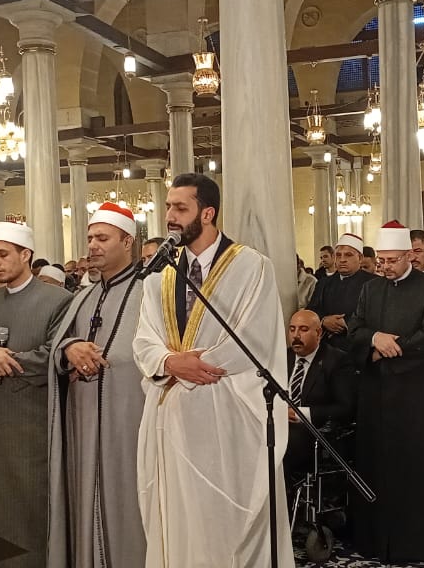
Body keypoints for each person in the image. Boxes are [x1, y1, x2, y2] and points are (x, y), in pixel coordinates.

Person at [131, 173, 293, 568]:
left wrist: (193, 366)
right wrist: (170, 362)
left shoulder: (252, 267)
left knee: (223, 528)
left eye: (180, 208)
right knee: (179, 523)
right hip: (172, 419)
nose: (170, 216)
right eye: (168, 207)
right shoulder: (160, 274)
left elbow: (254, 338)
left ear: (208, 213)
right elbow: (144, 339)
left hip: (227, 417)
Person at [0, 222, 73, 568]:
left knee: (28, 510)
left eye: (3, 254)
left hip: (31, 424)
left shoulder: (58, 300)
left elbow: (55, 354)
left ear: (26, 255)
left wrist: (4, 361)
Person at [46, 203, 147, 567]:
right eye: (90, 238)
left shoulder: (151, 292)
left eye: (102, 238)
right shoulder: (84, 296)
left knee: (130, 507)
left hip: (129, 423)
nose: (92, 245)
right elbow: (58, 346)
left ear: (127, 242)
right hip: (84, 421)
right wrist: (69, 349)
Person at [350, 220, 424, 566]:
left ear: (410, 255)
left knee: (418, 469)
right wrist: (374, 338)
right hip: (377, 395)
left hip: (419, 396)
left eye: (392, 260)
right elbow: (355, 328)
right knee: (378, 466)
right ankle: (378, 543)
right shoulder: (370, 289)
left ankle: (419, 545)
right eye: (381, 260)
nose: (385, 267)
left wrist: (388, 352)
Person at [283, 310, 355, 483]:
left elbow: (346, 408)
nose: (296, 336)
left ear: (319, 333)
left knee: (285, 441)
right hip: (278, 424)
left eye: (303, 329)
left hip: (313, 431)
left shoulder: (337, 361)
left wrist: (300, 414)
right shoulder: (283, 357)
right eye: (292, 329)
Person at [307, 233, 378, 355]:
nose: (342, 259)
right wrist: (324, 320)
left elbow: (378, 315)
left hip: (360, 350)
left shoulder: (374, 283)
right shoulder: (323, 283)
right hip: (327, 349)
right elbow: (311, 310)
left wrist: (346, 322)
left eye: (348, 255)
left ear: (360, 258)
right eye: (338, 255)